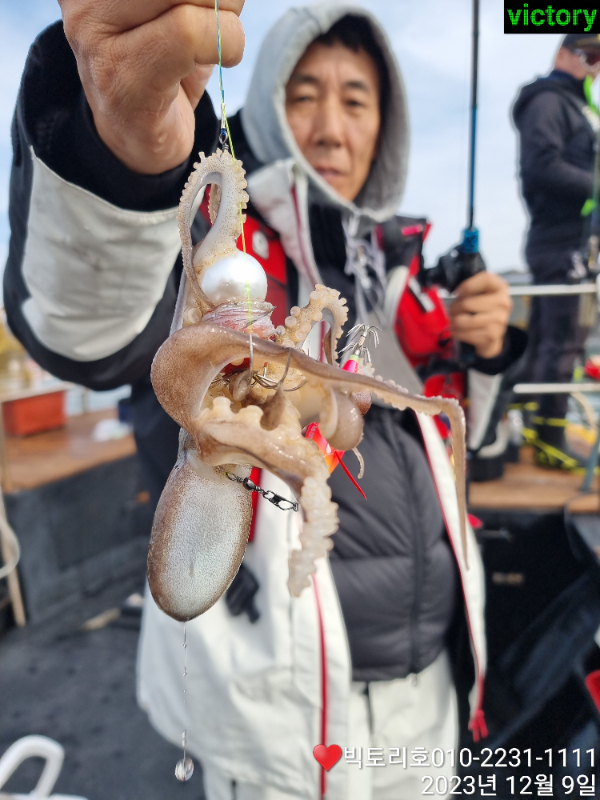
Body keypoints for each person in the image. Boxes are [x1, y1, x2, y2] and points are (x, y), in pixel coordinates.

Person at [5, 3, 522, 798]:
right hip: (273, 717)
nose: (330, 128)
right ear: (270, 106)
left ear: (384, 128)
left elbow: (464, 444)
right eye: (304, 94)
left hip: (432, 693)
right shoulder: (216, 259)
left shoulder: (408, 283)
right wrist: (122, 159)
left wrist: (486, 359)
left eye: (356, 101)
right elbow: (87, 331)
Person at [513, 33, 600, 470]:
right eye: (590, 55)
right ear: (563, 54)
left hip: (575, 244)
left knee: (554, 337)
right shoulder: (549, 101)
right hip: (558, 243)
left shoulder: (575, 106)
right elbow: (541, 167)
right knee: (562, 340)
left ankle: (536, 426)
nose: (595, 65)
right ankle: (550, 437)